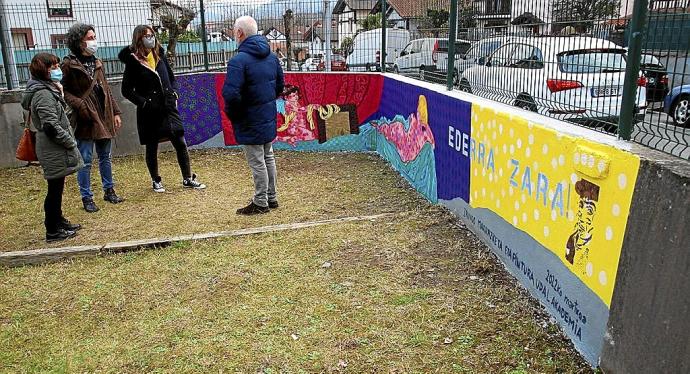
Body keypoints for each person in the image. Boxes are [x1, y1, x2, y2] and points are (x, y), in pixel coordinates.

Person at [118, 25, 206, 192]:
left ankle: (188, 178)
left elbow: (172, 79)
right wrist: (144, 102)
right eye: (146, 36)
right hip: (149, 111)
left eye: (152, 35)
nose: (150, 38)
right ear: (138, 39)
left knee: (180, 141)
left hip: (168, 108)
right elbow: (126, 90)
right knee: (152, 146)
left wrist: (174, 94)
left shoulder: (159, 56)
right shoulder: (133, 62)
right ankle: (156, 180)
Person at [223, 16, 284, 215]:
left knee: (258, 161)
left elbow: (231, 94)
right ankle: (271, 197)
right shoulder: (272, 57)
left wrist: (236, 114)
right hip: (266, 115)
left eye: (234, 31)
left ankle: (260, 202)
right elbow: (279, 87)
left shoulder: (238, 61)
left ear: (239, 33)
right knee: (268, 156)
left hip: (249, 118)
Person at [61, 23, 124, 213]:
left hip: (103, 113)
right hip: (85, 117)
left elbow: (106, 89)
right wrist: (79, 105)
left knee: (105, 156)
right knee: (85, 159)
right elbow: (62, 90)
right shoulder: (68, 64)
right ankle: (86, 197)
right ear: (78, 41)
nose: (93, 41)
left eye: (94, 37)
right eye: (89, 38)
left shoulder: (97, 62)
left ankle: (109, 190)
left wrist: (115, 112)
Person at [21, 53, 84, 242]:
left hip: (54, 147)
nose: (58, 70)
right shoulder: (42, 94)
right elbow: (51, 126)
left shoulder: (49, 89)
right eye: (53, 66)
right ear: (44, 70)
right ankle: (52, 229)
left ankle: (59, 221)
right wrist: (70, 142)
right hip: (53, 148)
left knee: (58, 186)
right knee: (54, 189)